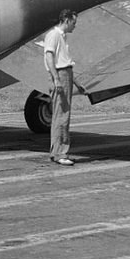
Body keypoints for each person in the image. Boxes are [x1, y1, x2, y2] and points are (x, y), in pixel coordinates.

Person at [43, 9, 78, 166]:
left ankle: (57, 151)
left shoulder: (61, 37)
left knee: (62, 114)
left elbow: (64, 60)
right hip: (60, 75)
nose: (74, 26)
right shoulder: (54, 35)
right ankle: (60, 153)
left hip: (66, 74)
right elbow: (49, 56)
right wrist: (56, 79)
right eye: (73, 23)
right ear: (66, 20)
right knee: (61, 116)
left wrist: (76, 82)